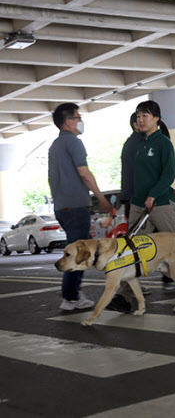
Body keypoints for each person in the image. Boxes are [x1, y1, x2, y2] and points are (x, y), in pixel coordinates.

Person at [107, 100, 175, 313]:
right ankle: (124, 296)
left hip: (160, 204)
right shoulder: (140, 144)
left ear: (156, 119)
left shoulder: (163, 143)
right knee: (129, 249)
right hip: (137, 205)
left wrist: (153, 195)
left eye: (145, 116)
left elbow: (169, 174)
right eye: (138, 116)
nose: (140, 120)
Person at [48, 102, 112, 310]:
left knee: (74, 250)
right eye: (78, 117)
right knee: (81, 253)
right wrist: (101, 198)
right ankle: (71, 297)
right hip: (76, 207)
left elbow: (51, 180)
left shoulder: (54, 146)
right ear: (68, 122)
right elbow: (84, 173)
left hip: (62, 207)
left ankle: (72, 295)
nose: (80, 121)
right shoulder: (74, 143)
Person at [120, 112, 144, 219]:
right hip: (138, 200)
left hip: (132, 199)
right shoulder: (139, 144)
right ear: (135, 125)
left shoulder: (131, 142)